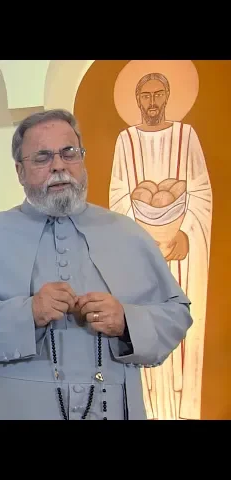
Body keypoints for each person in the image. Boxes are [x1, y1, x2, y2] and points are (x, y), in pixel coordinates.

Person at [0, 108, 193, 420]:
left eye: (69, 153)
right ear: (20, 171)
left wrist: (127, 321)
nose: (59, 166)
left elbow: (176, 314)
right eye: (42, 157)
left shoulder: (127, 233)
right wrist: (26, 314)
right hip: (15, 408)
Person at [110, 72, 212, 420]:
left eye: (158, 94)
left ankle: (183, 409)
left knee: (180, 318)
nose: (152, 102)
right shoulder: (125, 140)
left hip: (181, 252)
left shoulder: (187, 136)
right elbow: (118, 196)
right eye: (145, 95)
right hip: (141, 252)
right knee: (143, 318)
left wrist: (185, 232)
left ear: (167, 96)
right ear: (137, 100)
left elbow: (201, 191)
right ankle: (147, 408)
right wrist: (143, 238)